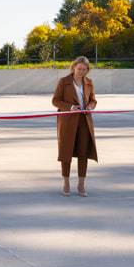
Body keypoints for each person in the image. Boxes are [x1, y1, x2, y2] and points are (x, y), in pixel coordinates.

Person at [52, 56, 98, 197]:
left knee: (83, 153)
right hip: (67, 123)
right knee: (66, 153)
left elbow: (93, 100)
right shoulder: (64, 82)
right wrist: (70, 107)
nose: (81, 72)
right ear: (73, 67)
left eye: (84, 69)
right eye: (79, 69)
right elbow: (55, 101)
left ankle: (81, 184)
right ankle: (66, 182)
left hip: (85, 122)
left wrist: (90, 106)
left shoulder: (89, 83)